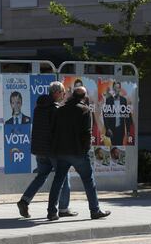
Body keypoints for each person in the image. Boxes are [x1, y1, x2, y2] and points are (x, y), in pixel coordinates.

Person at [47, 86, 111, 220]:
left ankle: (52, 212)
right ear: (84, 97)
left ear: (72, 95)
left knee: (58, 181)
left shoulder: (61, 109)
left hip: (62, 152)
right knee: (88, 180)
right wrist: (85, 150)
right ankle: (95, 210)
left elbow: (54, 131)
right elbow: (87, 133)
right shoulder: (85, 110)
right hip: (78, 153)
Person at [17, 82, 77, 218]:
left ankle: (24, 201)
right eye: (62, 93)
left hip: (39, 149)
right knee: (63, 177)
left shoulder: (39, 107)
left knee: (41, 176)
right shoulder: (55, 109)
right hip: (52, 150)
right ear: (56, 93)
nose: (63, 95)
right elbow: (58, 131)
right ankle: (63, 208)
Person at [103, 81, 132, 145]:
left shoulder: (123, 100)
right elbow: (105, 116)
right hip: (112, 129)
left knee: (120, 145)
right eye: (115, 88)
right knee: (113, 146)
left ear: (120, 89)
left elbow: (126, 115)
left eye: (118, 88)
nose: (116, 90)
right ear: (113, 89)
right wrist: (108, 128)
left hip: (120, 128)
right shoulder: (108, 100)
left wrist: (128, 130)